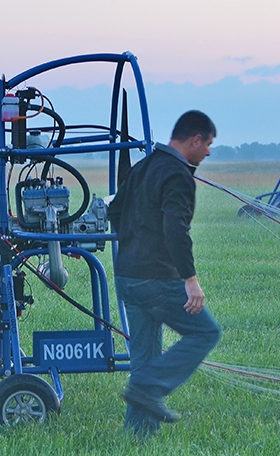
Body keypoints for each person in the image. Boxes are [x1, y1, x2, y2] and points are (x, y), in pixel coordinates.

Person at [109, 110, 222, 438]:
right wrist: (190, 279)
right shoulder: (178, 175)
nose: (209, 152)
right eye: (209, 144)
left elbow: (116, 211)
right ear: (195, 139)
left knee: (144, 357)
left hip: (127, 277)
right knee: (205, 333)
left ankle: (138, 437)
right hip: (156, 279)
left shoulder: (143, 166)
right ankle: (149, 387)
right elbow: (175, 227)